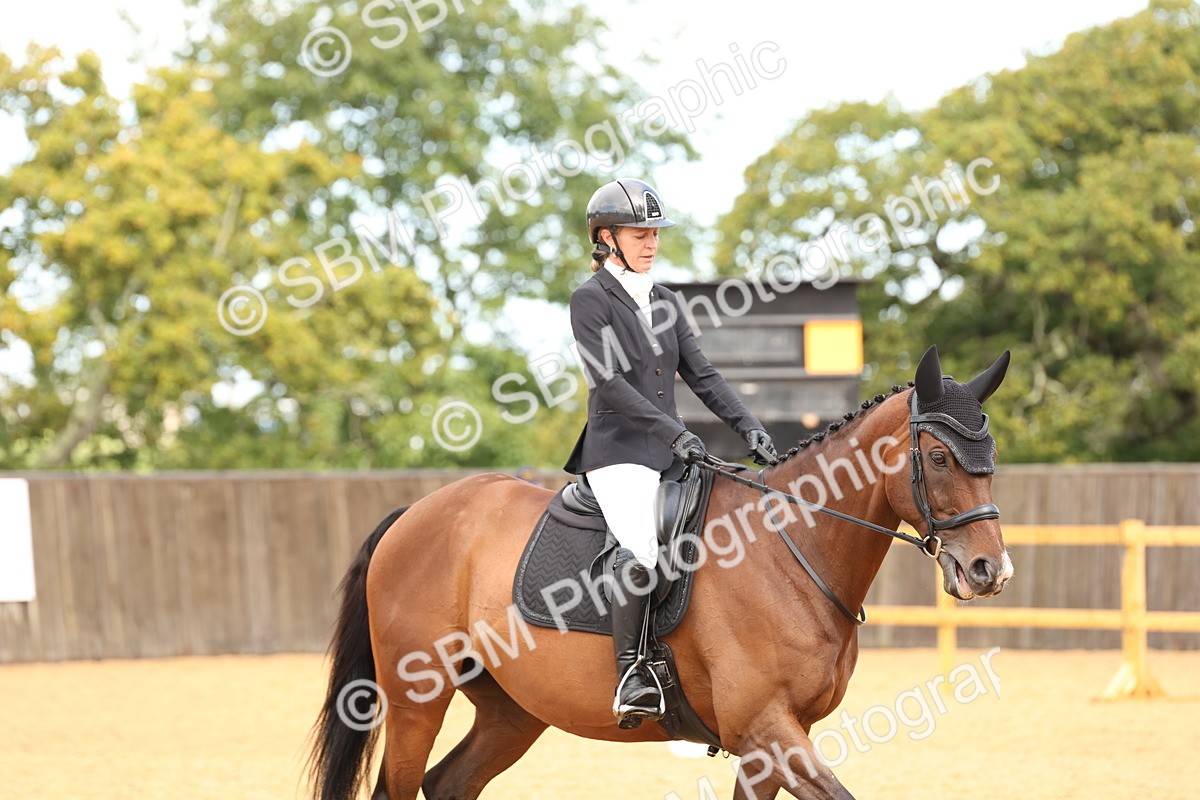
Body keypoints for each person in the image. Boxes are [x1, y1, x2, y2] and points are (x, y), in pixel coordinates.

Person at [562, 178, 776, 725]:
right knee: (641, 549)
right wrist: (671, 432)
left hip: (669, 452)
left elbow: (702, 375)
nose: (651, 243)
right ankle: (631, 674)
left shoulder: (666, 301)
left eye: (655, 233)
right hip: (618, 453)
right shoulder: (590, 299)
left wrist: (749, 426)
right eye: (640, 234)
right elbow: (608, 382)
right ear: (606, 238)